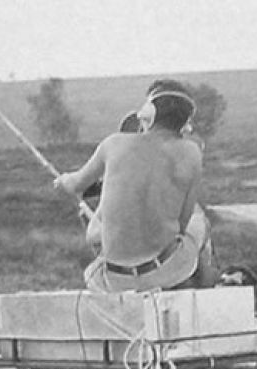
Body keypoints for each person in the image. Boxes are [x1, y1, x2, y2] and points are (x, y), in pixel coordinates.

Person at [53, 79, 206, 293]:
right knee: (200, 225)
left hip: (114, 279)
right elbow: (182, 223)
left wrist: (63, 181)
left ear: (148, 114)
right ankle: (205, 290)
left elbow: (75, 185)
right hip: (163, 270)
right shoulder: (192, 153)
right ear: (184, 122)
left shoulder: (112, 144)